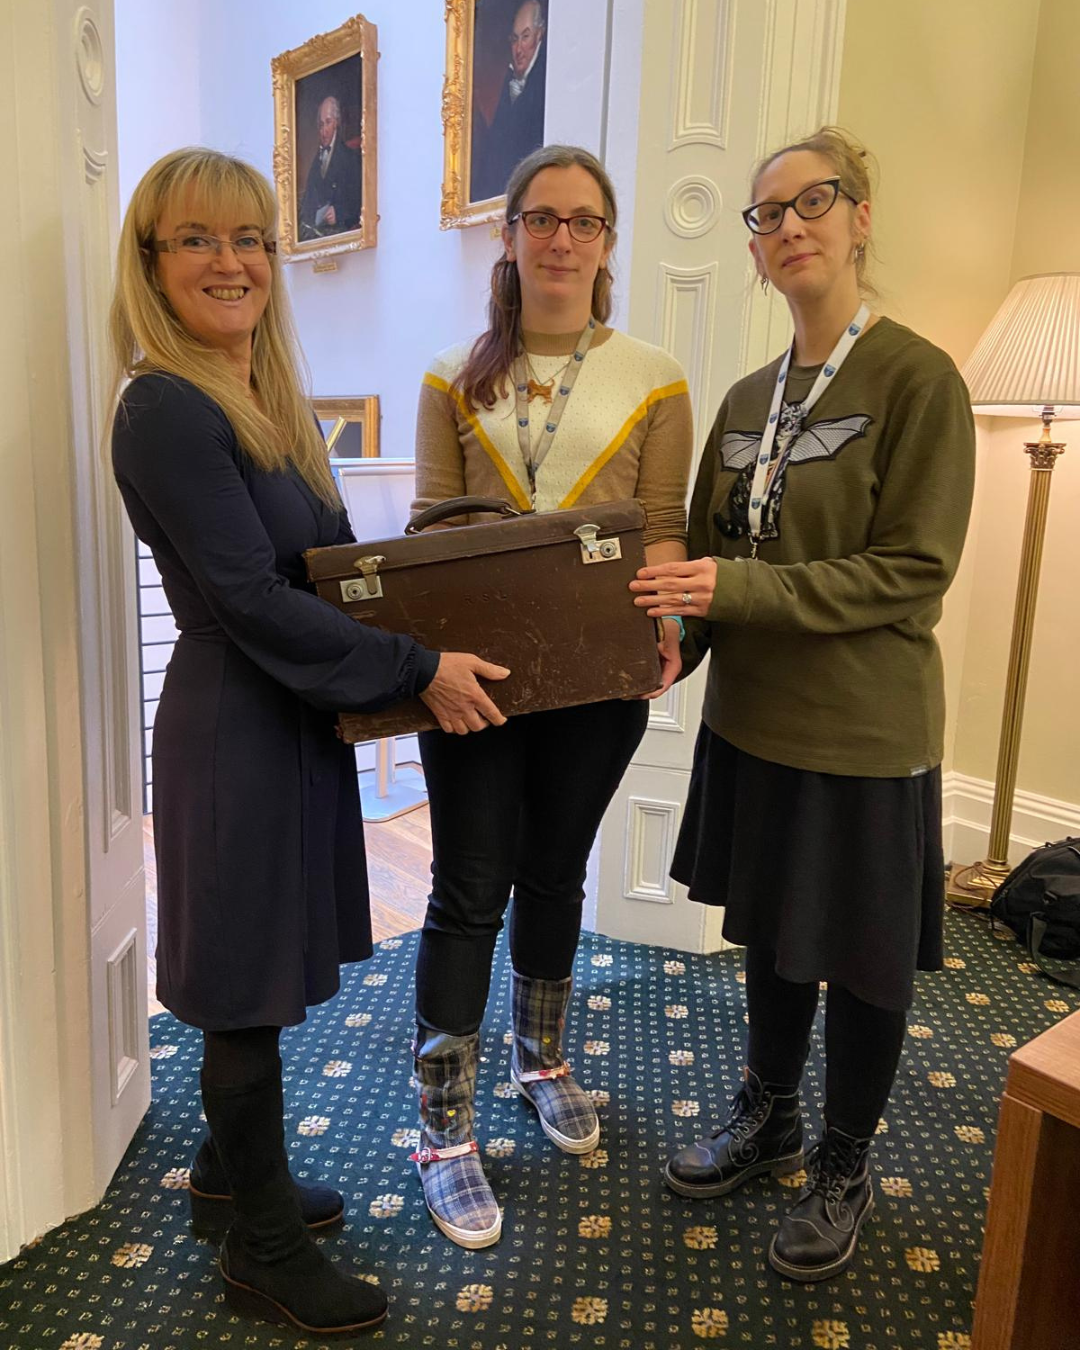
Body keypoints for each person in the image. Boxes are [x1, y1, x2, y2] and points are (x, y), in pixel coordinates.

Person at [108, 147, 505, 1336]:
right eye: (198, 238)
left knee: (266, 957)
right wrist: (417, 668)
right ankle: (262, 1251)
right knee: (241, 986)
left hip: (293, 717)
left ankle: (227, 1181)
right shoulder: (164, 406)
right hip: (234, 724)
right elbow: (248, 597)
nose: (230, 261)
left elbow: (330, 569)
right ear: (152, 263)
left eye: (250, 239)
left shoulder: (263, 398)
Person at [631, 126, 975, 1283]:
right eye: (767, 213)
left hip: (867, 734)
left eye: (812, 201)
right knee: (775, 935)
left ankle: (844, 1161)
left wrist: (730, 592)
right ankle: (769, 1112)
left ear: (860, 217)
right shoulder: (743, 401)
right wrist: (662, 649)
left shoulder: (919, 380)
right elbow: (710, 568)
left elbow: (913, 570)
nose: (788, 226)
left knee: (865, 961)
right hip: (752, 723)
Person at [410, 143, 694, 1249]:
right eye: (542, 219)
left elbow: (661, 523)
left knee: (556, 869)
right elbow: (431, 530)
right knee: (467, 888)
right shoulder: (451, 375)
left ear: (607, 241)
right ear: (510, 234)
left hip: (594, 675)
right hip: (473, 682)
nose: (562, 239)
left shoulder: (654, 376)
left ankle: (541, 1061)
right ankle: (442, 1131)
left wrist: (665, 627)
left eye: (584, 221)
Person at [471, 0, 547, 203]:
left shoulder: (544, 81)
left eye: (525, 37)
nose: (518, 48)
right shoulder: (509, 81)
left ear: (539, 35)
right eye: (515, 39)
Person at [298, 94, 362, 239]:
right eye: (321, 125)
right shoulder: (316, 160)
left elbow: (360, 201)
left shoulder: (350, 158)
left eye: (328, 122)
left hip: (340, 234)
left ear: (336, 123)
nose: (324, 130)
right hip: (316, 235)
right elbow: (309, 199)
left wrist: (338, 213)